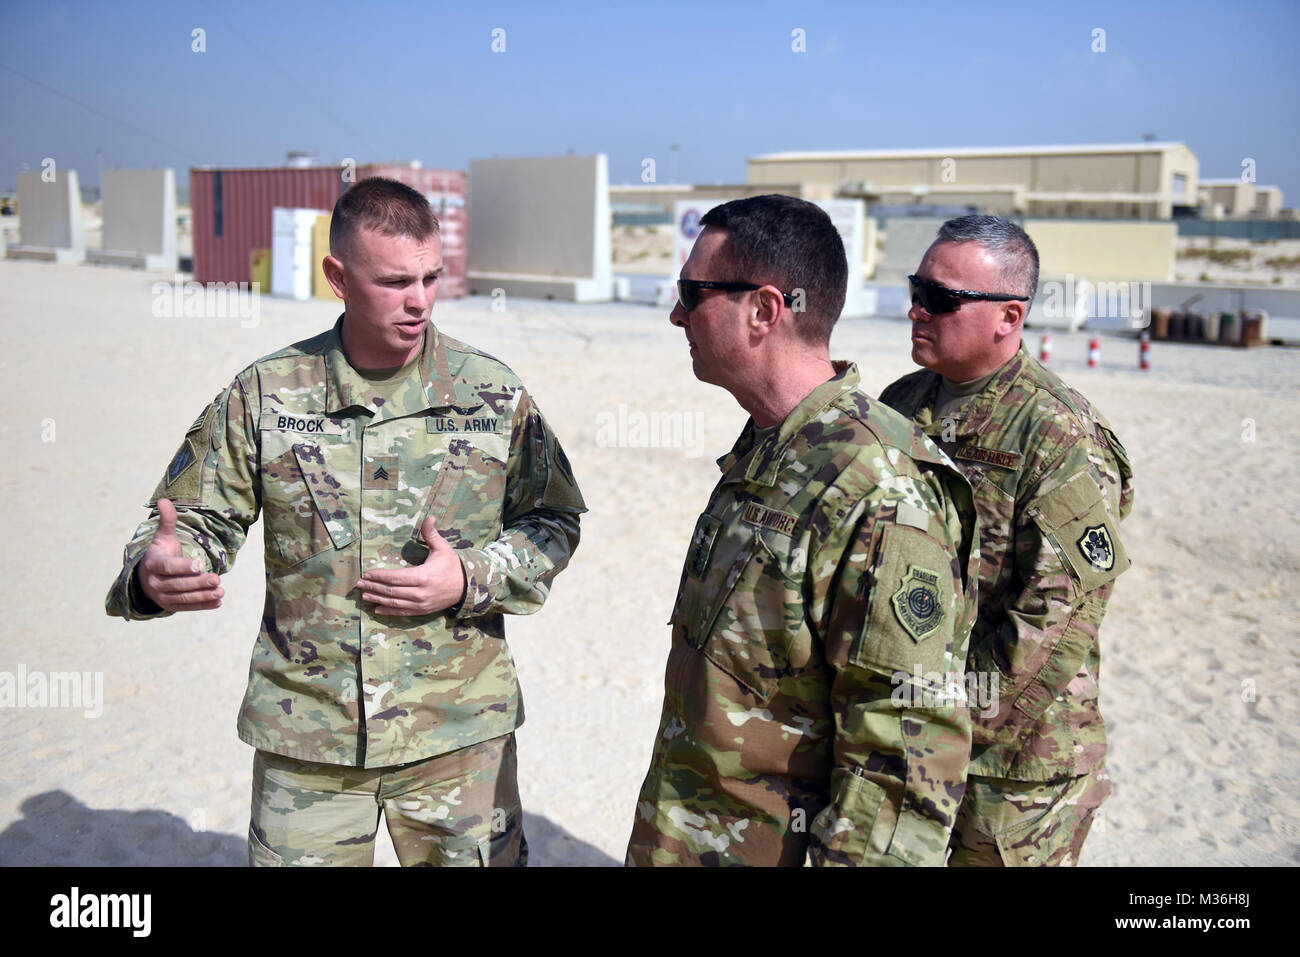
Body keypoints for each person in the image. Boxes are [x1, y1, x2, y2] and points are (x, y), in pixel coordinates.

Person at [104, 177, 586, 866]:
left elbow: (554, 519)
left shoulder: (494, 393)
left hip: (457, 737)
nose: (419, 300)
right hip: (309, 740)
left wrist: (471, 577)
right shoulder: (266, 392)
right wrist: (159, 570)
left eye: (430, 277)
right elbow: (195, 518)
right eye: (394, 281)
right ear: (338, 276)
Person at [625, 195, 980, 866]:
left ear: (762, 310)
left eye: (691, 293)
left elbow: (903, 753)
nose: (677, 314)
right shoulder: (772, 446)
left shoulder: (879, 486)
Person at [879, 215, 1134, 866]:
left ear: (1008, 316)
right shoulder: (900, 405)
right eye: (916, 288)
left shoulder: (1060, 436)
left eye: (940, 298)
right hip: (903, 730)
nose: (916, 309)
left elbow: (1057, 616)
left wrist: (955, 723)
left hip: (1012, 768)